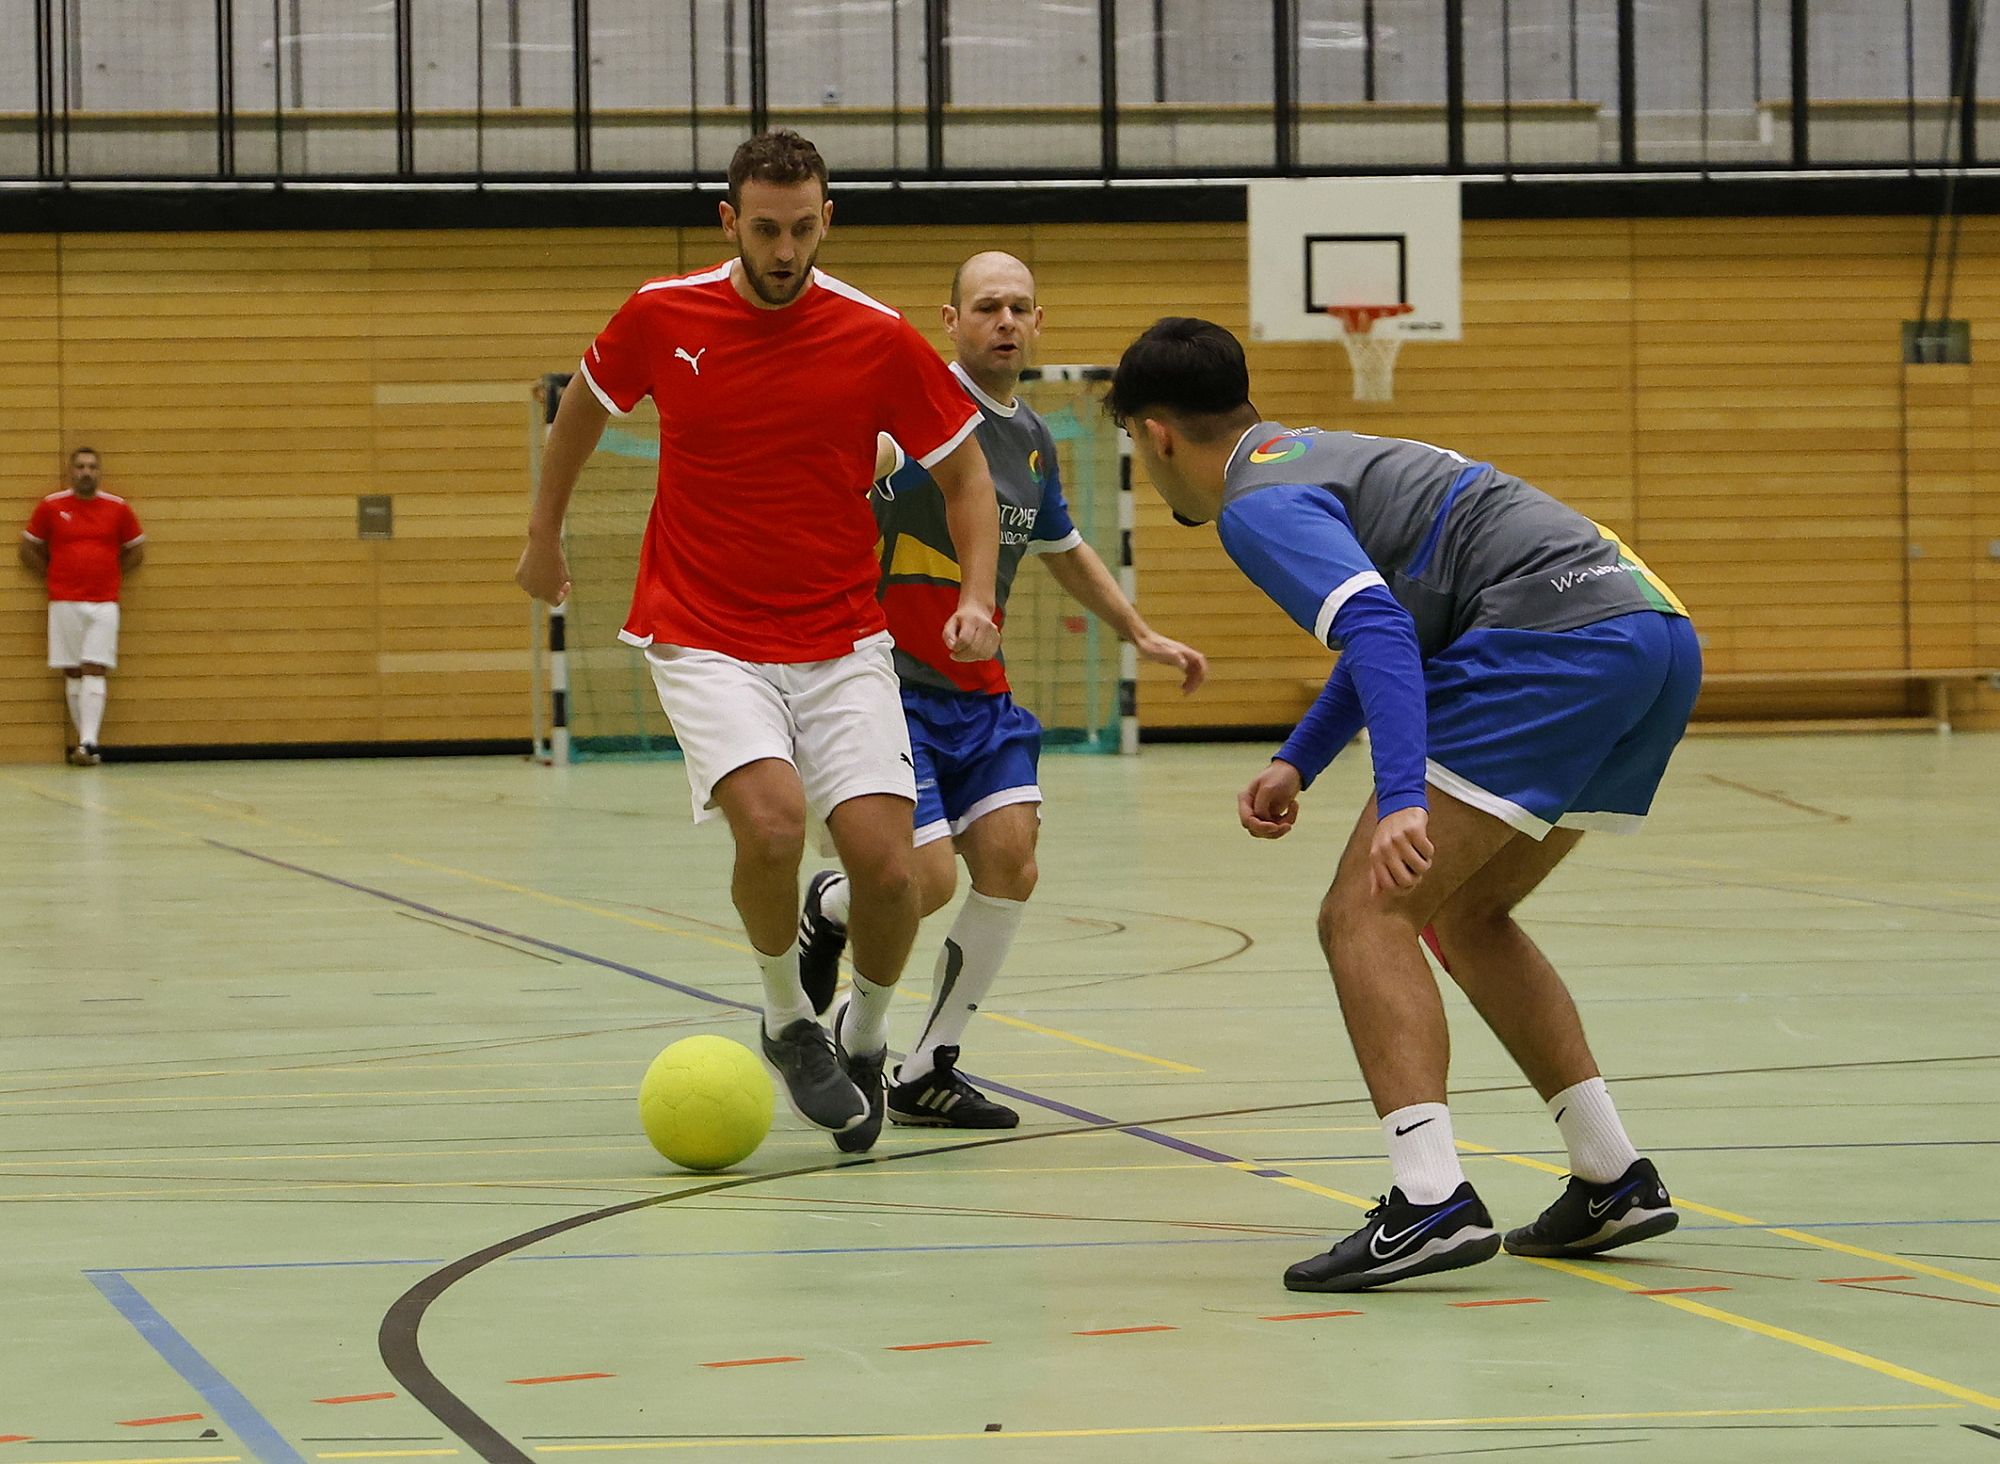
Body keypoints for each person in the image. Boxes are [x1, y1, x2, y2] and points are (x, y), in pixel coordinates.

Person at [1107, 317, 1700, 1293]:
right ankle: (1610, 1175)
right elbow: (1406, 623)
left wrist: (1397, 798)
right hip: (1649, 632)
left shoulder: (1255, 502)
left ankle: (1428, 1201)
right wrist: (1298, 759)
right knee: (1465, 914)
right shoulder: (1316, 456)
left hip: (1554, 640)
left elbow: (1378, 628)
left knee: (1363, 916)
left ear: (1154, 435)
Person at [513, 131, 1003, 1156]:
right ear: (730, 222)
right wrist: (541, 536)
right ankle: (786, 1018)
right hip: (702, 632)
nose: (785, 250)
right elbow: (578, 414)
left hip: (839, 638)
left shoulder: (873, 336)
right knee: (774, 829)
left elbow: (967, 481)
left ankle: (861, 1037)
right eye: (766, 229)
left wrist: (975, 596)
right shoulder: (663, 314)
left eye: (803, 228)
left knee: (890, 871)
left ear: (829, 220)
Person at [795, 252, 1208, 1129]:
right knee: (925, 880)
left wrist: (1138, 631)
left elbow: (1061, 547)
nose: (1006, 322)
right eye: (987, 307)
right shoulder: (906, 419)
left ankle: (928, 1065)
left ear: (1040, 321)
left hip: (978, 695)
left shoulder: (1031, 440)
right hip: (886, 686)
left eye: (1020, 307)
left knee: (1012, 864)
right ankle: (833, 913)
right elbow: (841, 471)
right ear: (950, 321)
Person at [19, 447, 145, 766]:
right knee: (73, 671)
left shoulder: (117, 508)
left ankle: (89, 743)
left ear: (99, 472)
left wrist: (109, 574)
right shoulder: (51, 506)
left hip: (103, 602)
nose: (86, 472)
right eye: (80, 467)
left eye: (91, 467)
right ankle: (82, 743)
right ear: (70, 471)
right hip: (64, 600)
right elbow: (28, 547)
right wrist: (54, 574)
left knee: (95, 666)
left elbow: (135, 549)